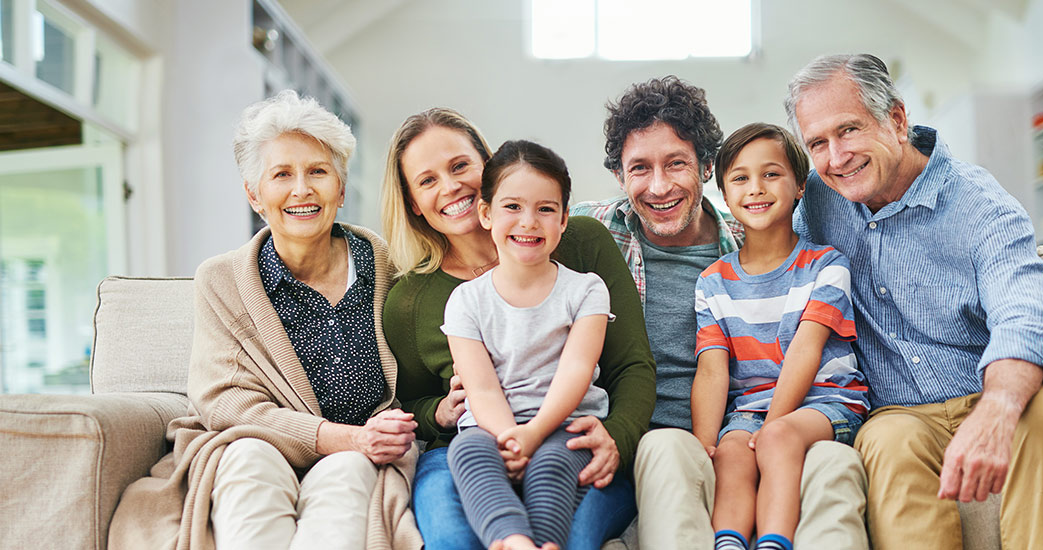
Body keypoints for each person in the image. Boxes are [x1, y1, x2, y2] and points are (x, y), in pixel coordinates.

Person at [784, 53, 1043, 549]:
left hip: (994, 389)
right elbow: (760, 241)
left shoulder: (981, 206)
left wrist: (996, 409)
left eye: (849, 130)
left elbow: (1026, 317)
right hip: (899, 414)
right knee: (886, 440)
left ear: (897, 119)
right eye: (817, 143)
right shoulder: (819, 202)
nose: (836, 156)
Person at [108, 90, 421, 550]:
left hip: (360, 453)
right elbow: (224, 404)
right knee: (249, 464)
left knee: (349, 478)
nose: (301, 189)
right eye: (281, 175)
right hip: (258, 444)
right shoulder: (221, 279)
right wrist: (341, 436)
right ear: (255, 195)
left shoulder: (387, 266)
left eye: (318, 171)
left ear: (341, 185)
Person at [572, 76, 870, 549]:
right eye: (639, 169)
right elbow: (509, 239)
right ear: (618, 176)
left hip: (771, 424)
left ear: (707, 168)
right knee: (665, 448)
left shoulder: (755, 227)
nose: (659, 186)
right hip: (667, 443)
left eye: (676, 164)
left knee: (835, 467)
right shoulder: (588, 233)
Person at [380, 108, 655, 550]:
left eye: (459, 166)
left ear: (487, 165)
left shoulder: (579, 244)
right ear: (413, 202)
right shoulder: (411, 298)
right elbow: (409, 400)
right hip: (470, 447)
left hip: (573, 435)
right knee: (454, 539)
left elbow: (632, 365)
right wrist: (439, 412)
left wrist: (617, 439)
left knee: (575, 538)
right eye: (427, 180)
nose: (450, 187)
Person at [692, 123, 869, 550]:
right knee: (733, 453)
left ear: (799, 187)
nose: (756, 188)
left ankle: (774, 542)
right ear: (725, 192)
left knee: (778, 439)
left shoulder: (826, 265)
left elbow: (806, 350)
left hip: (827, 401)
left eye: (771, 174)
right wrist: (705, 443)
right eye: (740, 178)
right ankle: (730, 543)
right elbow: (713, 373)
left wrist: (771, 428)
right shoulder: (712, 282)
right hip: (750, 410)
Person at [443, 140, 612, 550]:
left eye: (546, 209)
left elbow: (576, 371)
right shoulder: (466, 300)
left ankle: (545, 542)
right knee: (466, 452)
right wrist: (509, 438)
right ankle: (513, 539)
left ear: (564, 219)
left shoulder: (586, 290)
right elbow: (480, 388)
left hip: (563, 422)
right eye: (513, 207)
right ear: (486, 214)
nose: (529, 222)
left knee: (551, 463)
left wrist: (534, 434)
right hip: (491, 425)